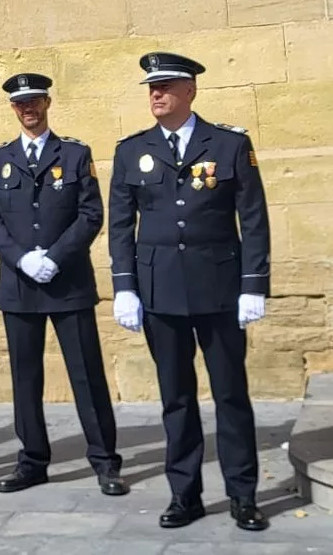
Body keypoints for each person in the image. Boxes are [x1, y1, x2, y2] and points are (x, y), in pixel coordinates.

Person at [109, 52, 270, 531]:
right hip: (159, 292)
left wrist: (253, 284)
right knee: (175, 398)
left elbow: (253, 219)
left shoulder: (229, 143)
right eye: (151, 88)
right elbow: (121, 225)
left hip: (219, 289)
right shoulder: (131, 150)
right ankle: (185, 494)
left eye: (165, 86)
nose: (156, 94)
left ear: (190, 90)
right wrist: (124, 287)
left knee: (230, 394)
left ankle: (243, 495)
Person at [0, 73, 126, 497]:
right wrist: (21, 258)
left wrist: (56, 257)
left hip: (68, 281)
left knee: (86, 375)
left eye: (35, 100)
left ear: (47, 102)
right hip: (19, 283)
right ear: (13, 108)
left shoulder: (75, 154)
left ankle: (105, 461)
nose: (28, 108)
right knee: (25, 378)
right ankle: (32, 461)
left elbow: (91, 213)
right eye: (20, 102)